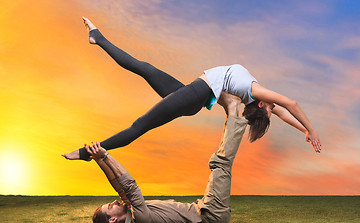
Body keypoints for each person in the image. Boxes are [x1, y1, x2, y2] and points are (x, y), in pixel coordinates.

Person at [63, 17, 321, 161]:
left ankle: (88, 153)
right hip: (190, 94)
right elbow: (286, 111)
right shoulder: (253, 92)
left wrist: (311, 129)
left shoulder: (254, 94)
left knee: (140, 125)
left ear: (262, 105)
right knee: (144, 67)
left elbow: (291, 105)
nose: (274, 108)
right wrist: (305, 131)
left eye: (270, 109)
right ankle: (98, 37)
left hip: (194, 96)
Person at [73, 93, 248, 223]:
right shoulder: (141, 220)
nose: (113, 202)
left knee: (219, 163)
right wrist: (106, 155)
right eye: (109, 207)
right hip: (212, 216)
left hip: (204, 207)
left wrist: (99, 159)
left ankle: (232, 111)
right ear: (113, 219)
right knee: (221, 163)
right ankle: (233, 108)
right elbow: (130, 186)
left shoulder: (132, 211)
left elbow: (119, 186)